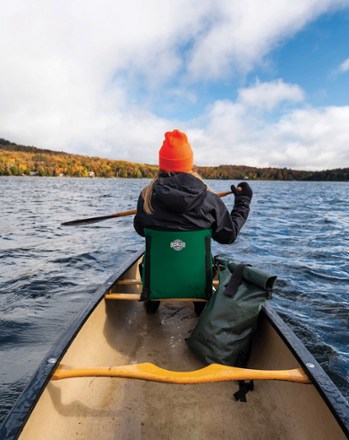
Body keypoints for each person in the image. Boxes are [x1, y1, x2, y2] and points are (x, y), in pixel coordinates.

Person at [133, 129, 252, 313]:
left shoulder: (146, 197)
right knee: (201, 263)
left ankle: (153, 299)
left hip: (157, 280)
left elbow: (140, 229)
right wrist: (242, 202)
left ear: (161, 165)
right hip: (196, 281)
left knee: (155, 258)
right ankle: (199, 302)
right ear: (189, 163)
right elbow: (228, 236)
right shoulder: (210, 199)